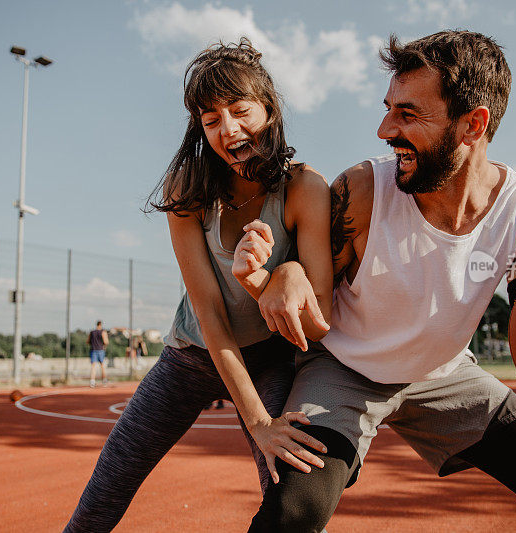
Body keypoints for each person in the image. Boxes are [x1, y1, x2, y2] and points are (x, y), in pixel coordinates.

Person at [245, 31, 516, 532]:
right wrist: (287, 269)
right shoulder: (363, 191)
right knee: (292, 513)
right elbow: (306, 283)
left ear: (473, 124)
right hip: (345, 367)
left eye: (408, 115)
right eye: (389, 108)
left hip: (441, 374)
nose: (385, 128)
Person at [64, 38, 332, 532]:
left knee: (289, 501)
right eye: (211, 120)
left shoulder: (304, 188)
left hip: (271, 359)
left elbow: (320, 319)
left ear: (269, 110)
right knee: (102, 498)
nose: (227, 128)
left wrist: (278, 275)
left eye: (239, 110)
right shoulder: (188, 188)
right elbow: (209, 312)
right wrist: (257, 422)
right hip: (192, 355)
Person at [87, 320, 108, 388]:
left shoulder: (92, 332)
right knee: (102, 366)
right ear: (101, 325)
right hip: (100, 350)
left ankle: (92, 381)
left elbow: (87, 341)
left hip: (93, 350)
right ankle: (104, 380)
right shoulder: (103, 332)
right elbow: (106, 341)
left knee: (93, 366)